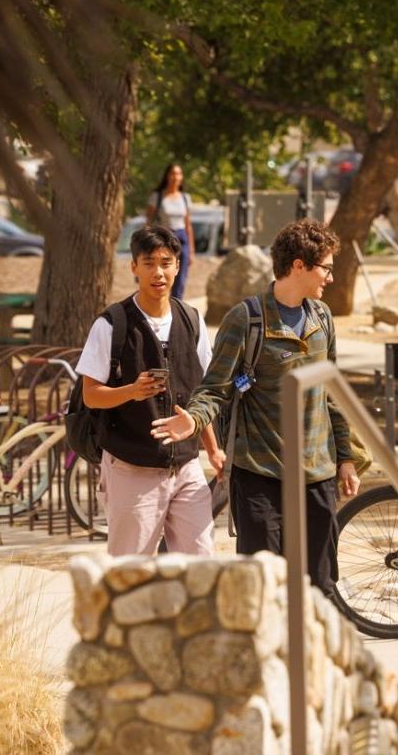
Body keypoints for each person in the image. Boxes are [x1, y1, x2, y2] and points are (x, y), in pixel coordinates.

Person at [152, 219, 359, 595]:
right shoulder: (246, 319)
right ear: (299, 265)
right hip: (260, 475)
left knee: (321, 589)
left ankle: (310, 656)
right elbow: (215, 388)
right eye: (326, 268)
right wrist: (194, 421)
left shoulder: (322, 318)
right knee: (265, 589)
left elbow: (332, 394)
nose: (330, 277)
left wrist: (344, 456)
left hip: (317, 474)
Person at [76, 225, 217, 556]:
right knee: (130, 573)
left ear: (178, 267)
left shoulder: (192, 320)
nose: (158, 272)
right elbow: (91, 395)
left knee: (201, 565)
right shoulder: (111, 325)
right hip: (131, 468)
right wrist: (131, 392)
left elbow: (204, 393)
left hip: (186, 466)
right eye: (149, 263)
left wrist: (213, 449)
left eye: (166, 262)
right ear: (134, 267)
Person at [146, 163, 195, 300]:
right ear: (167, 176)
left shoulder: (185, 198)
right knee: (164, 275)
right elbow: (148, 222)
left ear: (181, 177)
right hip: (164, 238)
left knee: (181, 278)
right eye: (172, 173)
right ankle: (160, 306)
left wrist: (191, 250)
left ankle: (176, 308)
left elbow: (188, 224)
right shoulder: (158, 197)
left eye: (178, 174)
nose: (175, 177)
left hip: (182, 237)